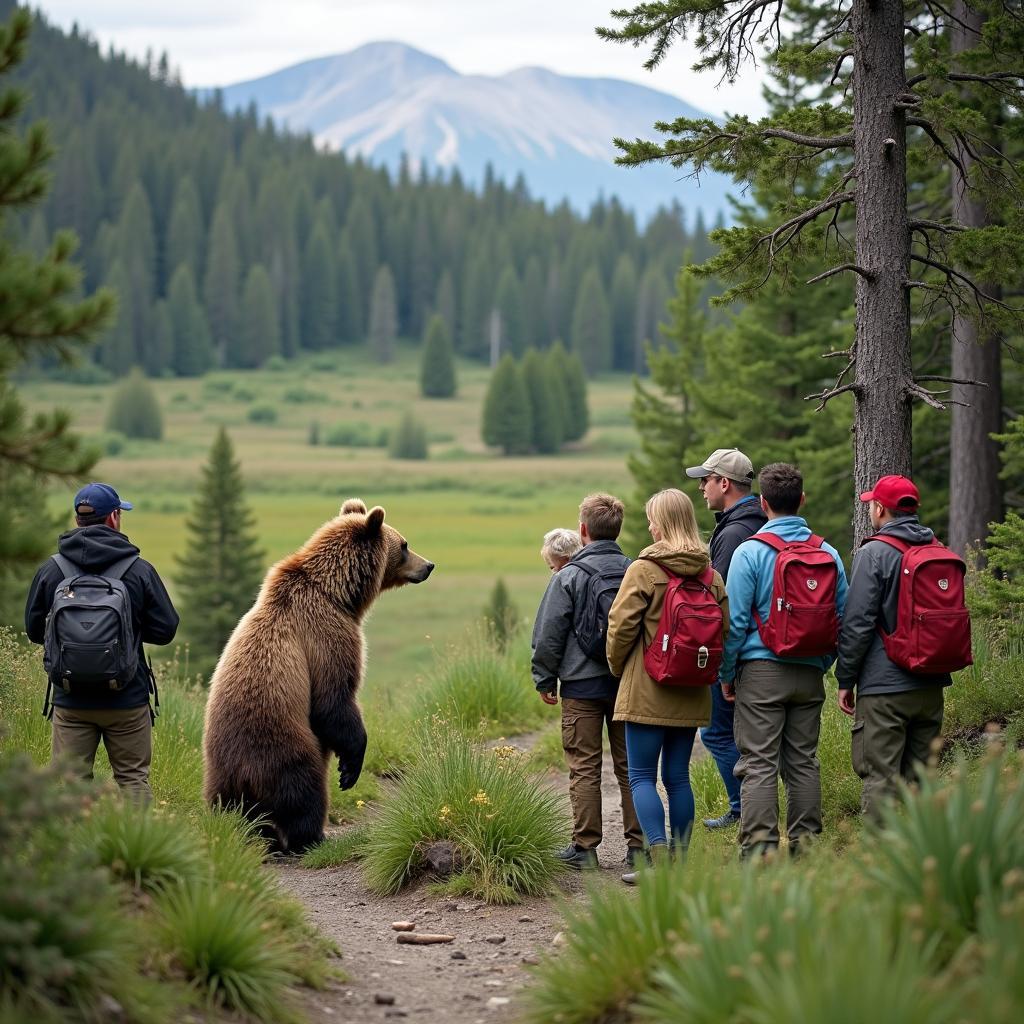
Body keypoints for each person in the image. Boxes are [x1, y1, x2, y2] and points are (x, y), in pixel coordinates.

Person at [719, 463, 848, 858]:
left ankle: (760, 851)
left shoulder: (750, 552)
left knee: (758, 762)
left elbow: (735, 623)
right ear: (802, 500)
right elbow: (841, 617)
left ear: (763, 503)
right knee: (803, 762)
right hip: (809, 672)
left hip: (760, 672)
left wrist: (727, 674)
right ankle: (806, 848)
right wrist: (822, 662)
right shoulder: (826, 552)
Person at [25, 483, 179, 803]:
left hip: (70, 701)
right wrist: (128, 635)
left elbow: (34, 629)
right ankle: (136, 851)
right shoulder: (138, 570)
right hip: (127, 698)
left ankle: (78, 850)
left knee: (72, 786)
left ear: (78, 518)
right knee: (133, 781)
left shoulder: (52, 570)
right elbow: (166, 629)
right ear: (113, 517)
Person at [607, 488, 728, 883]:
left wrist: (618, 666)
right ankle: (681, 861)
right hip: (693, 688)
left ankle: (657, 864)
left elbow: (620, 627)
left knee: (641, 775)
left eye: (651, 519)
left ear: (660, 524)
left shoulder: (644, 570)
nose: (649, 526)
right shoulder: (711, 575)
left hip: (647, 685)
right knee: (678, 776)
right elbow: (725, 630)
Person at [531, 494, 644, 869]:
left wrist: (545, 678)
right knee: (632, 768)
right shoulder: (635, 570)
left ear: (583, 531)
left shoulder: (569, 576)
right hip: (628, 684)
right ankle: (639, 847)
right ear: (618, 529)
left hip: (581, 687)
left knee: (584, 766)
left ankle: (585, 848)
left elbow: (549, 634)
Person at [836, 476, 956, 821]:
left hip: (883, 689)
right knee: (923, 780)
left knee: (881, 779)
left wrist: (846, 679)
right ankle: (925, 856)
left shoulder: (873, 553)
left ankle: (879, 860)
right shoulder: (938, 548)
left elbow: (857, 623)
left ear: (879, 509)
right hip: (931, 684)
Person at [685, 447, 766, 830]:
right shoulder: (758, 520)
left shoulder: (734, 531)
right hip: (765, 645)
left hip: (738, 650)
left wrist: (722, 664)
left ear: (724, 483)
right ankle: (750, 808)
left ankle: (742, 809)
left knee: (716, 732)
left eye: (706, 480)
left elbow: (722, 601)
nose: (702, 488)